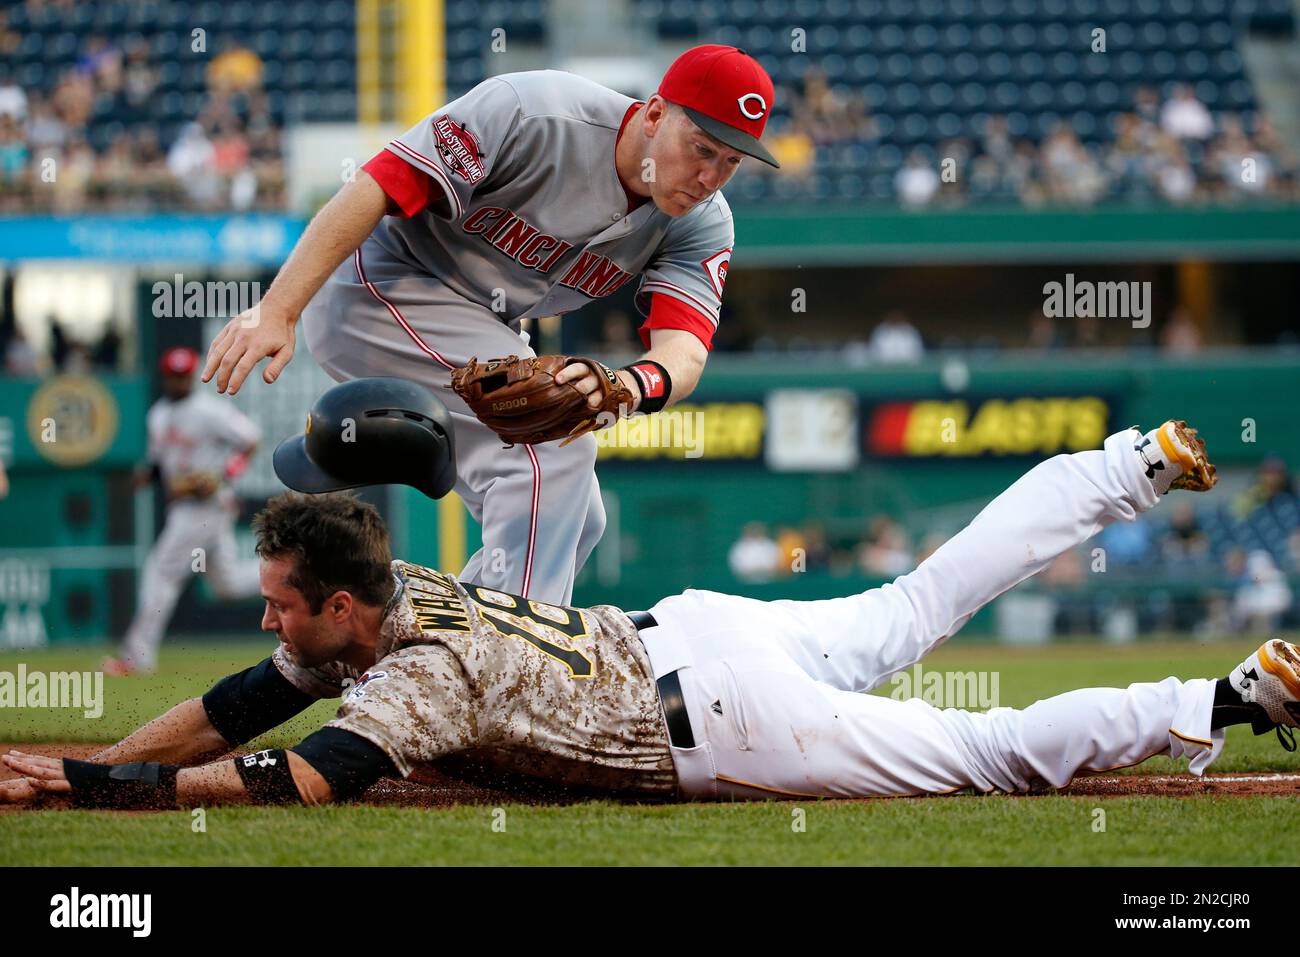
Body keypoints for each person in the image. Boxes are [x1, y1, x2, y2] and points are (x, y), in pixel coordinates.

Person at [7, 417, 1298, 810]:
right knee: (924, 597)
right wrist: (92, 755)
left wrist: (81, 792)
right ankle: (1127, 465)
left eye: (286, 606)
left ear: (342, 603)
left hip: (724, 712)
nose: (273, 626)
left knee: (987, 757)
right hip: (695, 632)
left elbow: (285, 778)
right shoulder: (401, 596)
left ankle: (1231, 698)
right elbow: (241, 704)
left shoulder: (419, 674)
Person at [201, 45, 780, 607]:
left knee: (577, 518)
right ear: (654, 113)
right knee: (550, 457)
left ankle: (436, 645)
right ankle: (505, 683)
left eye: (730, 162)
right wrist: (279, 308)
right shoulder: (536, 110)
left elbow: (685, 353)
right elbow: (375, 186)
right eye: (701, 148)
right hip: (382, 285)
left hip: (483, 322)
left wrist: (630, 385)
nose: (710, 176)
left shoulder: (701, 221)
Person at [103, 347, 262, 676]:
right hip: (187, 504)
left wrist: (224, 474)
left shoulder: (209, 410)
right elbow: (161, 464)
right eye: (173, 375)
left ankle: (136, 658)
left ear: (192, 375)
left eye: (184, 374)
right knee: (227, 584)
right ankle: (295, 572)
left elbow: (250, 439)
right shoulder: (158, 415)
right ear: (165, 376)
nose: (179, 380)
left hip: (203, 506)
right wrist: (147, 477)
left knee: (160, 574)